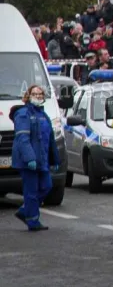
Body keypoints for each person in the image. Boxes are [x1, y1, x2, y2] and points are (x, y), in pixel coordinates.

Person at [9, 85, 60, 231]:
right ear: (28, 95)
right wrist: (29, 158)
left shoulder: (43, 116)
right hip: (29, 162)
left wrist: (55, 159)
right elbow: (23, 139)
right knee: (31, 192)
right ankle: (33, 221)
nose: (38, 96)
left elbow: (50, 140)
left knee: (47, 186)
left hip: (42, 160)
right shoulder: (23, 114)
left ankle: (25, 211)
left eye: (40, 94)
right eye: (35, 94)